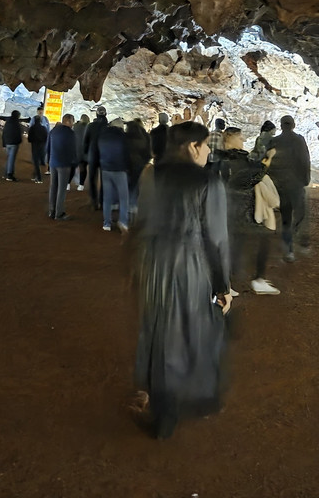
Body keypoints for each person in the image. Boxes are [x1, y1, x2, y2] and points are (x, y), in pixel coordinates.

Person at [132, 120, 231, 439]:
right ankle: (197, 400)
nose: (208, 152)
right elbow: (216, 239)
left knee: (159, 332)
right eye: (206, 145)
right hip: (190, 265)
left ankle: (163, 411)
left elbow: (142, 222)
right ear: (192, 146)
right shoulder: (208, 181)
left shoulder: (151, 174)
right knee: (193, 330)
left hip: (153, 265)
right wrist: (223, 286)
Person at [219, 128, 279, 295]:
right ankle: (256, 280)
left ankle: (228, 284)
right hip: (238, 208)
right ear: (230, 138)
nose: (243, 139)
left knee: (235, 245)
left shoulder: (226, 158)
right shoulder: (234, 158)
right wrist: (267, 161)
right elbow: (252, 177)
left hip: (234, 207)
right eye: (240, 137)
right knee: (262, 237)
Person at [267, 115, 311, 262]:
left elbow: (268, 162)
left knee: (285, 217)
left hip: (281, 185)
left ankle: (288, 250)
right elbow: (304, 160)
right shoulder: (299, 140)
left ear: (281, 126)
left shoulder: (274, 141)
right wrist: (305, 179)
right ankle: (300, 240)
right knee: (300, 213)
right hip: (296, 184)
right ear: (293, 125)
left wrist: (273, 182)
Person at [98, 117, 132, 232]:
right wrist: (128, 167)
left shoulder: (103, 136)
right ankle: (123, 221)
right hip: (119, 170)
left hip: (105, 169)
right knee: (123, 198)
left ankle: (106, 223)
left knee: (107, 198)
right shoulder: (124, 137)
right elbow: (127, 154)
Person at [46, 114, 77, 220]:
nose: (73, 124)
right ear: (68, 121)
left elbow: (48, 147)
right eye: (72, 121)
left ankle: (51, 211)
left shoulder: (53, 131)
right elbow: (73, 150)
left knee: (53, 187)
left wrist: (48, 161)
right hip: (64, 164)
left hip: (53, 162)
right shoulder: (71, 133)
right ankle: (59, 213)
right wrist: (74, 164)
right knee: (62, 189)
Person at [125, 118, 152, 220]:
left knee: (128, 184)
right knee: (136, 184)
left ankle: (127, 205)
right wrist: (145, 161)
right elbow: (148, 151)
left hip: (127, 164)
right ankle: (133, 204)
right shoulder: (146, 136)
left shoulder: (126, 136)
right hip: (140, 163)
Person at [84, 106, 109, 210]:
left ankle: (94, 201)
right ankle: (102, 201)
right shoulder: (108, 127)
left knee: (92, 178)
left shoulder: (91, 126)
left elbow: (86, 141)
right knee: (104, 180)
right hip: (105, 155)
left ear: (96, 114)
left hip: (93, 154)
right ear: (105, 114)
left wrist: (86, 152)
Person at [27, 112, 50, 183]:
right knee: (38, 161)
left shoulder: (32, 128)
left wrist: (32, 141)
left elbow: (29, 138)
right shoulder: (43, 128)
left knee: (36, 162)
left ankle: (39, 178)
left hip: (34, 146)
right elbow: (46, 137)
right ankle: (35, 176)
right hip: (42, 146)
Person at [2, 110, 23, 181]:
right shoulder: (16, 123)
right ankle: (9, 175)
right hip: (14, 143)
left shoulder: (8, 122)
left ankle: (6, 173)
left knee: (9, 158)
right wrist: (19, 141)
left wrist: (4, 144)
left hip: (7, 143)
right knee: (11, 159)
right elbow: (18, 134)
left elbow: (4, 133)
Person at [73, 114, 90, 191]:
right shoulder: (89, 127)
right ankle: (81, 185)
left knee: (73, 166)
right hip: (86, 151)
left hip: (76, 150)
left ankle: (68, 184)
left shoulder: (76, 126)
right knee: (83, 168)